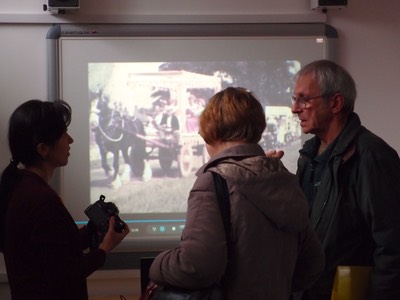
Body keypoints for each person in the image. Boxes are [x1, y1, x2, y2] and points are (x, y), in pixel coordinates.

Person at [148, 87, 325, 299]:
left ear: (210, 130)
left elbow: (196, 265)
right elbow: (312, 264)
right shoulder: (284, 179)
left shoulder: (213, 182)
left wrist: (157, 265)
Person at [289, 60, 400, 299]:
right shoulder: (307, 157)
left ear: (336, 103)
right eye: (294, 99)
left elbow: (392, 246)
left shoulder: (372, 156)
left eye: (305, 99)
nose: (295, 109)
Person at [0, 99, 130, 300]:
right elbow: (64, 274)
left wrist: (90, 231)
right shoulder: (41, 200)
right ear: (43, 149)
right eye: (63, 134)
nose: (70, 140)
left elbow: (52, 252)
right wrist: (105, 248)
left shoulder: (23, 189)